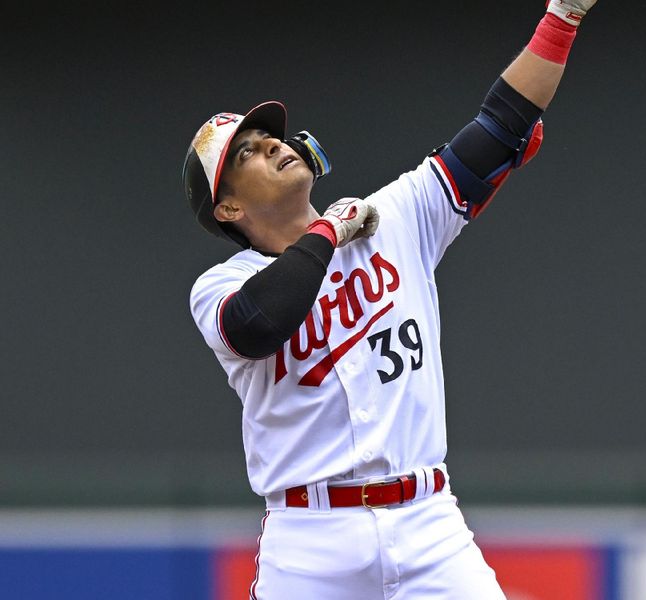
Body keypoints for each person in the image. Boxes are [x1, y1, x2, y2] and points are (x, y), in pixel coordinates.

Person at [183, 1, 598, 597]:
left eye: (269, 136)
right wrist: (327, 231)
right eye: (246, 152)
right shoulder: (220, 286)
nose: (272, 146)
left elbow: (500, 126)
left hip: (426, 519)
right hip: (309, 537)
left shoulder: (394, 215)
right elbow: (257, 322)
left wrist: (563, 16)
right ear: (228, 209)